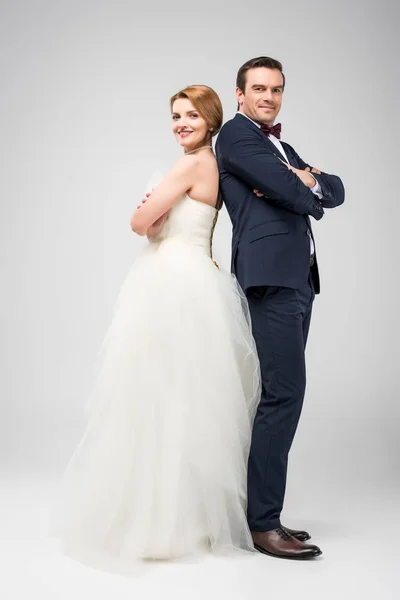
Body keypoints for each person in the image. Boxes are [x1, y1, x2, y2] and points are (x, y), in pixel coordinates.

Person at [56, 85, 261, 568]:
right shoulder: (211, 165)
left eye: (191, 115)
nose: (181, 124)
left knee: (155, 394)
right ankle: (187, 519)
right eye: (175, 116)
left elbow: (140, 222)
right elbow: (157, 223)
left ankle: (159, 520)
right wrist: (153, 218)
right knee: (186, 399)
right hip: (197, 280)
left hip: (170, 281)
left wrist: (147, 211)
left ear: (211, 120)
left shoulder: (190, 164)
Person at [216, 56, 345, 560]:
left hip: (298, 280)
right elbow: (301, 193)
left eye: (277, 89)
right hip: (269, 278)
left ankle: (266, 516)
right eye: (259, 89)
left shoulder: (280, 145)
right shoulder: (236, 137)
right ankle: (262, 523)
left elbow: (336, 188)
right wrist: (301, 183)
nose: (268, 97)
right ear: (240, 94)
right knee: (283, 395)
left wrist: (302, 178)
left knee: (280, 394)